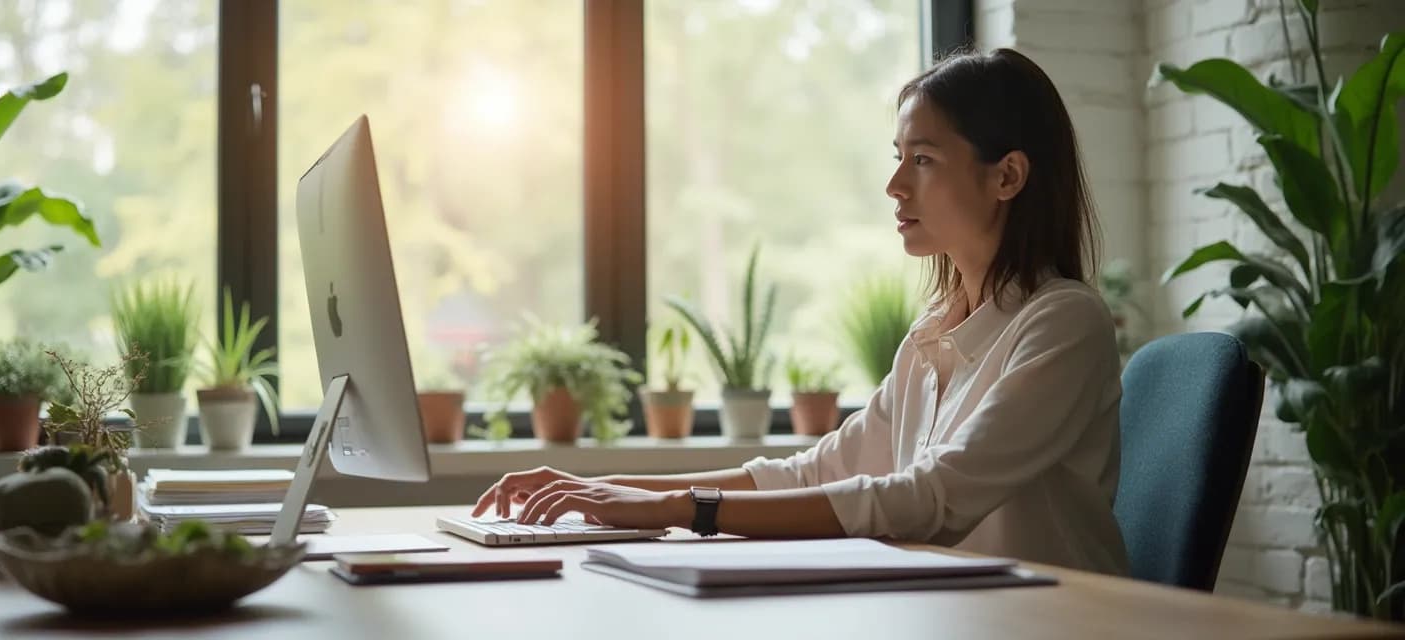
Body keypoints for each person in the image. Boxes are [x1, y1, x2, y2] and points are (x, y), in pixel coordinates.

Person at [471, 47, 1130, 576]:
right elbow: (817, 472)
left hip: (1049, 623)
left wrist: (678, 507)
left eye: (923, 160)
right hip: (952, 615)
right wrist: (610, 489)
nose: (895, 186)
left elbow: (929, 500)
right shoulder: (931, 336)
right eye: (899, 158)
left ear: (1007, 176)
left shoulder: (1063, 323)